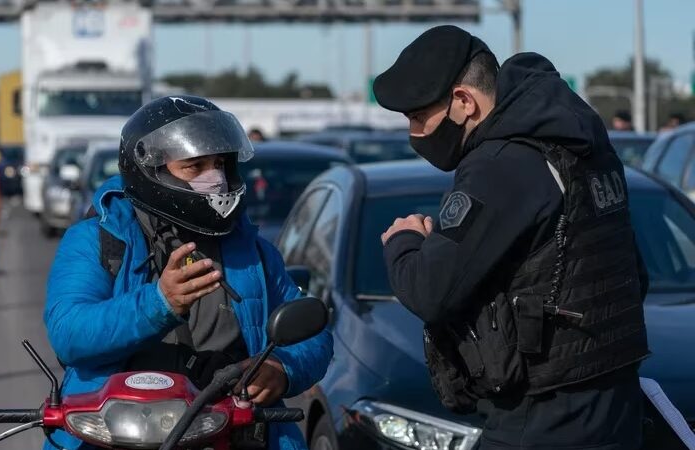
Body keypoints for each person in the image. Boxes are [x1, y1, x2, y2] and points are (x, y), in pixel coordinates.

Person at [373, 26, 649, 450]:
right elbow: (630, 272)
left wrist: (404, 242)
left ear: (463, 102)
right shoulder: (580, 144)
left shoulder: (499, 164)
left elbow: (431, 291)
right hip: (616, 405)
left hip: (543, 416)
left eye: (416, 118)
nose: (413, 134)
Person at [43, 96, 333, 450]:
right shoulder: (96, 239)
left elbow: (312, 334)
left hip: (231, 431)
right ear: (150, 170)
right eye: (195, 167)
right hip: (113, 434)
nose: (215, 179)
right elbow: (68, 330)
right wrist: (159, 304)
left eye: (220, 165)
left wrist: (282, 368)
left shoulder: (252, 249)